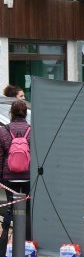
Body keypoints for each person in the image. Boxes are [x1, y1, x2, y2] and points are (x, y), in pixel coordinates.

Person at [0, 99, 31, 238]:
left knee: (10, 207)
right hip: (27, 176)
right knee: (27, 209)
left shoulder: (3, 131)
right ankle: (28, 241)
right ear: (25, 114)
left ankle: (6, 236)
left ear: (11, 113)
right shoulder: (32, 130)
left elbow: (0, 157)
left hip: (8, 176)